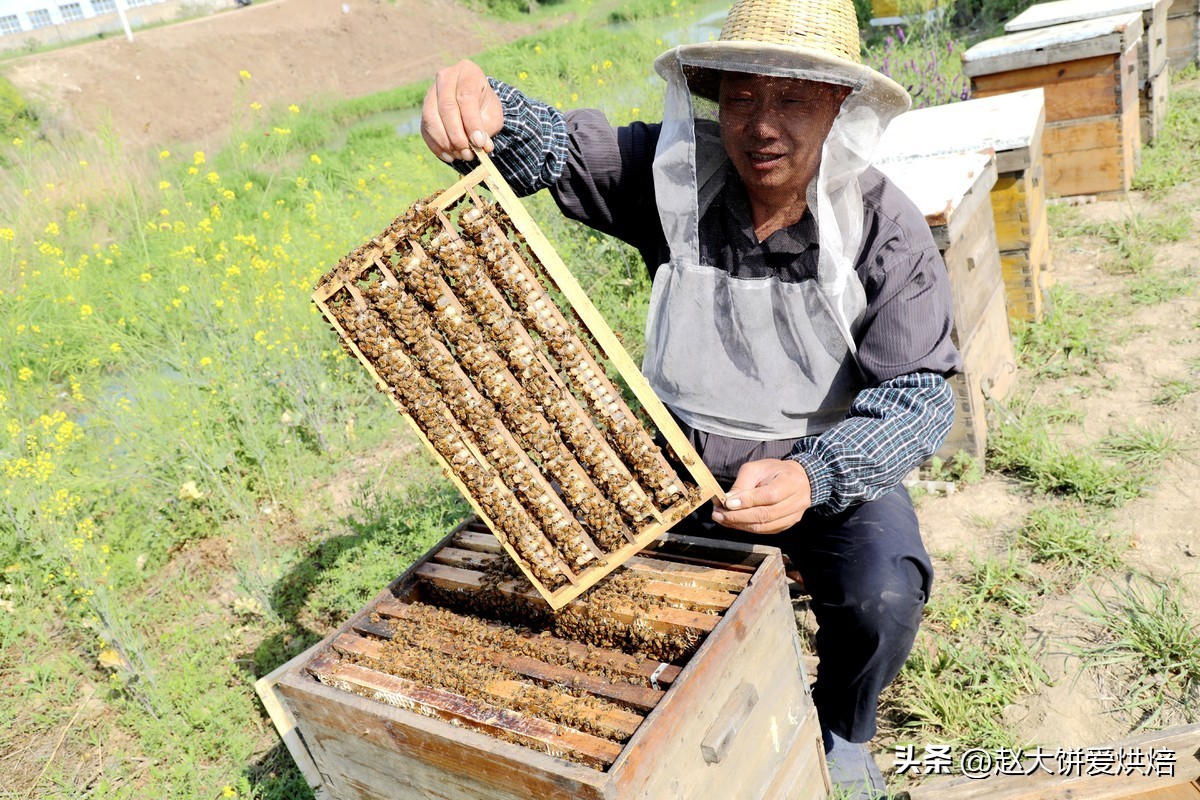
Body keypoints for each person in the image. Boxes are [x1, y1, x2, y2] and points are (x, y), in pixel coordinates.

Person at [422, 0, 961, 795]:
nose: (762, 126)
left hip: (821, 470)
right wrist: (482, 102)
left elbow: (920, 396)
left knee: (884, 589)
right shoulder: (673, 172)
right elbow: (553, 149)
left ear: (839, 104)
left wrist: (815, 477)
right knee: (575, 588)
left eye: (792, 100)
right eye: (742, 97)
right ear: (713, 98)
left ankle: (843, 730)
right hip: (672, 463)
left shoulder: (884, 226)